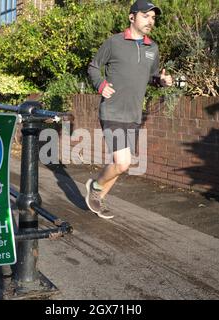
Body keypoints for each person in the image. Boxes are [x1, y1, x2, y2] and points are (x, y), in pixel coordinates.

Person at [86, 0, 173, 219]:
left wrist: (161, 80)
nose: (150, 21)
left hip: (134, 114)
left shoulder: (152, 48)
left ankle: (99, 198)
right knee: (122, 162)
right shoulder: (114, 42)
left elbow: (152, 77)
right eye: (146, 16)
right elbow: (94, 68)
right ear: (132, 17)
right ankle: (95, 188)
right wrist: (101, 85)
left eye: (153, 18)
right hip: (113, 111)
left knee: (120, 162)